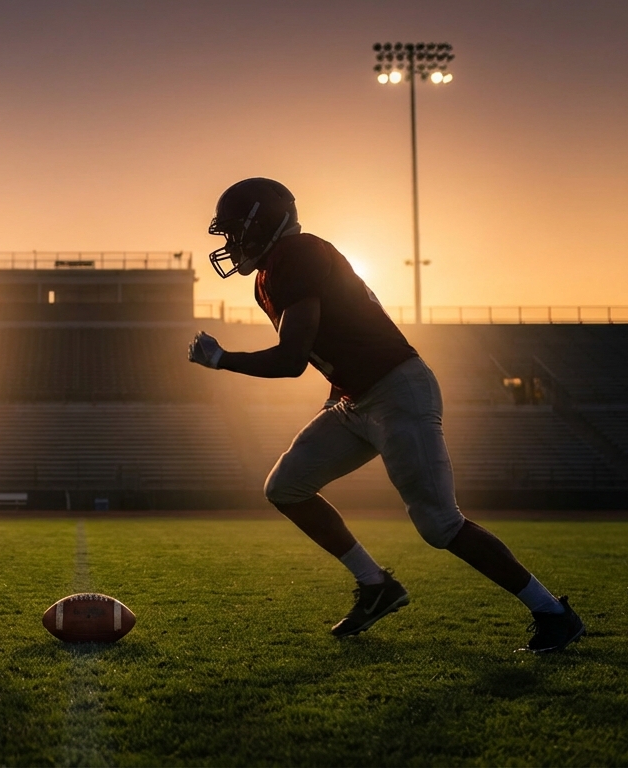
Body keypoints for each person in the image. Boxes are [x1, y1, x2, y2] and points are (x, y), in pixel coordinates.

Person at [187, 177, 584, 652]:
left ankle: (553, 613)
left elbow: (292, 360)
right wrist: (337, 397)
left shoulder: (297, 255)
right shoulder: (269, 276)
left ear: (263, 222)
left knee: (439, 524)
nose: (231, 243)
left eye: (235, 230)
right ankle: (376, 585)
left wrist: (222, 359)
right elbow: (332, 344)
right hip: (355, 398)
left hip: (397, 391)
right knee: (285, 487)